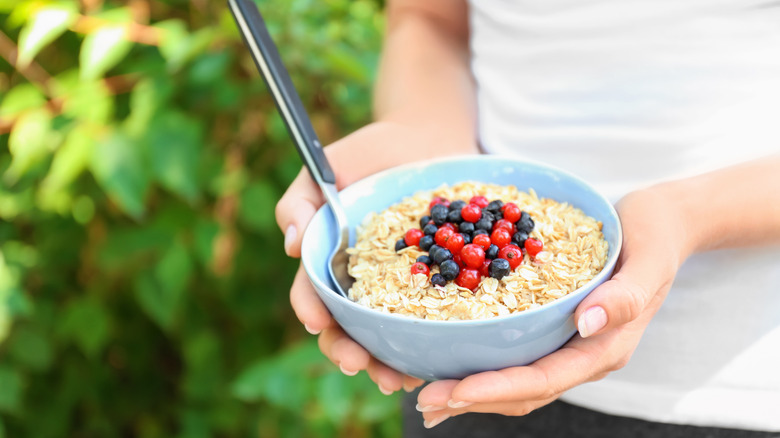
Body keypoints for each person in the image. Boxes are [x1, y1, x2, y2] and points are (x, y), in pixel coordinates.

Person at [275, 0, 780, 436]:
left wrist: (687, 216)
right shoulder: (448, 248)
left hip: (735, 392)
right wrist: (426, 137)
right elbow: (429, 18)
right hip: (457, 365)